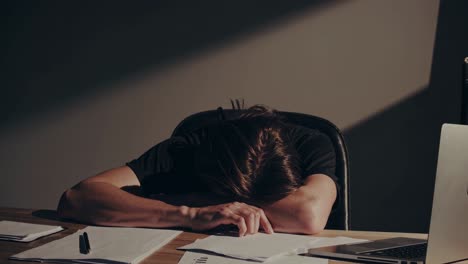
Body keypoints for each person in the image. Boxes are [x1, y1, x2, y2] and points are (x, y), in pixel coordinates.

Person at [57, 104, 338, 236]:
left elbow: (308, 216)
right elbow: (76, 198)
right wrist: (190, 214)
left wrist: (196, 198)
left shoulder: (311, 142)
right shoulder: (187, 149)